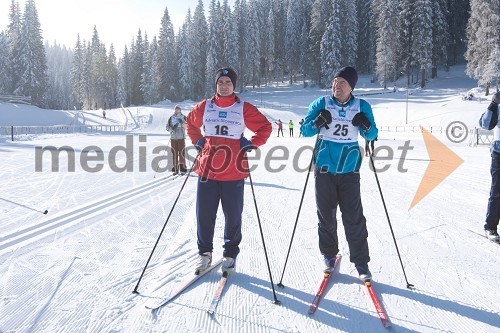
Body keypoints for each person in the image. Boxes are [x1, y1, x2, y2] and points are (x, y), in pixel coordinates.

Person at [186, 67, 272, 274]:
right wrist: (198, 141)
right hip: (207, 169)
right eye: (220, 82)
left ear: (234, 86)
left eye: (228, 83)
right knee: (204, 214)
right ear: (216, 85)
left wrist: (251, 144)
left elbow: (265, 127)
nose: (224, 86)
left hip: (234, 170)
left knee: (233, 215)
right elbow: (190, 123)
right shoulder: (205, 107)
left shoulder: (243, 108)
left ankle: (230, 253)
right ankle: (204, 253)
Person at [300, 66, 378, 281]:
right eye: (335, 81)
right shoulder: (321, 104)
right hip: (324, 168)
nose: (337, 86)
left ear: (351, 86)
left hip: (350, 169)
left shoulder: (362, 106)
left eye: (342, 82)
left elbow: (373, 133)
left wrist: (365, 124)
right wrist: (318, 122)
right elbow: (304, 131)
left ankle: (361, 262)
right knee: (326, 216)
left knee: (353, 218)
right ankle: (329, 255)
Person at [479, 90, 500, 243]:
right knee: (497, 192)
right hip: (499, 153)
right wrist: (493, 104)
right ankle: (490, 227)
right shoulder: (498, 106)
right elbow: (486, 125)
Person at [166, 105, 187, 174]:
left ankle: (182, 168)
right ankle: (175, 168)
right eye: (176, 109)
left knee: (181, 153)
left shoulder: (183, 117)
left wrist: (182, 123)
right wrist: (172, 129)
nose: (177, 110)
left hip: (181, 137)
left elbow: (187, 126)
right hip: (173, 138)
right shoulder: (171, 117)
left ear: (180, 110)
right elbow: (167, 127)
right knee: (174, 153)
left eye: (178, 109)